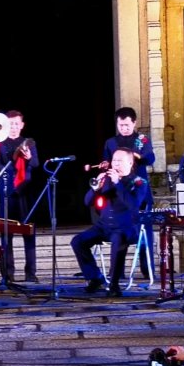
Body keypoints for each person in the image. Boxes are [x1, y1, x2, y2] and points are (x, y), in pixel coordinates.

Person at [71, 147, 148, 297]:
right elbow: (87, 202)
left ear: (130, 162)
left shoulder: (139, 182)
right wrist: (95, 189)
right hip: (103, 226)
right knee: (78, 241)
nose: (116, 164)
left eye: (120, 161)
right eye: (114, 160)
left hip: (125, 227)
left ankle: (114, 284)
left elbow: (133, 205)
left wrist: (118, 183)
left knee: (118, 242)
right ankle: (95, 278)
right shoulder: (106, 179)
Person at [103, 107, 155, 279]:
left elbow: (151, 158)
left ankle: (148, 270)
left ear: (134, 123)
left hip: (139, 190)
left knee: (144, 232)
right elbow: (107, 159)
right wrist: (105, 164)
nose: (124, 128)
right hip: (118, 192)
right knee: (120, 230)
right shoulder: (111, 142)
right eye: (121, 125)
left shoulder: (142, 140)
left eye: (127, 125)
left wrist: (136, 156)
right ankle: (117, 272)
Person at [0, 110, 39, 283]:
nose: (14, 127)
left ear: (22, 125)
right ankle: (8, 273)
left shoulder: (28, 143)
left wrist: (29, 157)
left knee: (29, 233)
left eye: (17, 123)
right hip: (6, 194)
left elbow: (36, 163)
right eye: (11, 124)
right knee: (6, 235)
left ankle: (31, 273)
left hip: (25, 193)